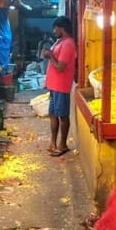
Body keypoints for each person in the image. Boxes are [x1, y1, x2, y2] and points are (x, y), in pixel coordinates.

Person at [42, 17, 77, 157]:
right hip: (53, 85)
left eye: (55, 28)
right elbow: (54, 58)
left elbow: (60, 67)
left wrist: (50, 56)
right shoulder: (59, 41)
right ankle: (53, 142)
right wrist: (48, 55)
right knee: (53, 114)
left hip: (61, 85)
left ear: (61, 28)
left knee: (62, 115)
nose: (54, 31)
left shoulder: (68, 44)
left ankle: (62, 144)